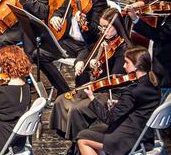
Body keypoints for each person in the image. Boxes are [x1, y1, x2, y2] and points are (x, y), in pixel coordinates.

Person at [73, 47, 160, 155]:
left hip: (130, 140)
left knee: (82, 138)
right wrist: (119, 106)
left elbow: (109, 118)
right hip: (144, 135)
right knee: (96, 131)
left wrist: (92, 98)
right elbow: (139, 106)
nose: (124, 66)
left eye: (126, 63)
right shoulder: (153, 83)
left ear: (137, 66)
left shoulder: (132, 91)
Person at [50, 8, 128, 146]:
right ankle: (71, 141)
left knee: (76, 109)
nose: (103, 31)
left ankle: (79, 147)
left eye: (106, 27)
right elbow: (86, 49)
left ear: (117, 26)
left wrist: (97, 65)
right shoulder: (104, 39)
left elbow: (114, 79)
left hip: (111, 93)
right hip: (97, 88)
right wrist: (81, 61)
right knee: (61, 100)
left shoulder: (124, 49)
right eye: (101, 27)